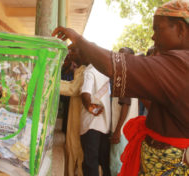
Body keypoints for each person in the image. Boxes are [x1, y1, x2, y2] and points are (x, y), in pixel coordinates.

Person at [52, 0, 189, 175]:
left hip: (169, 165)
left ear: (180, 29)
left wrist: (78, 39)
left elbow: (114, 65)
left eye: (157, 28)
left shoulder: (179, 64)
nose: (153, 37)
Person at [110, 47, 139, 176]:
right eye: (118, 55)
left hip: (122, 132)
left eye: (123, 55)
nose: (119, 58)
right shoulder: (132, 76)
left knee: (117, 166)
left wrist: (117, 131)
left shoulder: (124, 78)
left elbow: (125, 105)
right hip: (128, 130)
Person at [60, 46, 88, 176]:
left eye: (73, 50)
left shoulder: (86, 71)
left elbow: (72, 89)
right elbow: (72, 85)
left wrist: (51, 82)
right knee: (71, 146)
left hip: (80, 117)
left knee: (77, 149)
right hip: (74, 113)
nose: (70, 53)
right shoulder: (81, 69)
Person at [80, 64, 111, 176]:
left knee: (90, 162)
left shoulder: (90, 71)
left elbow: (85, 94)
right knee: (104, 161)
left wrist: (93, 109)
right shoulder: (106, 72)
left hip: (91, 124)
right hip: (105, 125)